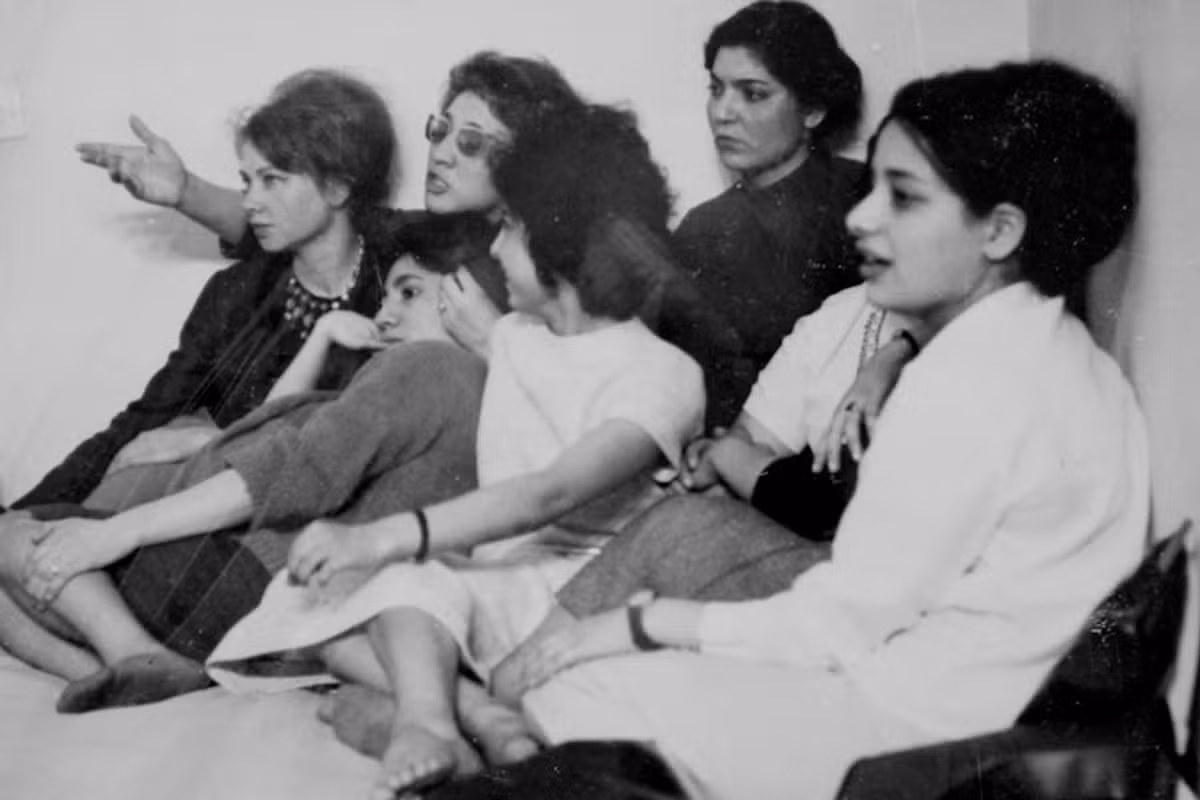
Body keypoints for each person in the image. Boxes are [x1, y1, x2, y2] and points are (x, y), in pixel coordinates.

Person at [468, 60, 1147, 800]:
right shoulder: (1065, 356)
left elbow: (836, 627)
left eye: (904, 197)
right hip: (958, 712)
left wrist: (638, 625)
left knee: (577, 694)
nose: (861, 217)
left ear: (1000, 231)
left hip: (909, 733)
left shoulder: (967, 384)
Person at [204, 100, 706, 800]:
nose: (493, 250)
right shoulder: (516, 337)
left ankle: (422, 716)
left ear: (559, 241)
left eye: (510, 229)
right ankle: (463, 715)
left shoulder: (663, 374)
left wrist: (381, 537)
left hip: (582, 598)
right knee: (322, 595)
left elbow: (549, 492)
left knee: (397, 581)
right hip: (496, 580)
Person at [70, 51, 742, 425]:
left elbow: (700, 360)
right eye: (440, 131)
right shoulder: (433, 235)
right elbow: (304, 219)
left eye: (470, 142)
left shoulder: (599, 241)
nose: (441, 153)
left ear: (531, 153)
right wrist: (186, 191)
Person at [0, 216, 497, 714]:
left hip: (245, 577)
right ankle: (123, 674)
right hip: (280, 607)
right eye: (386, 296)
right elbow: (274, 430)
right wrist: (324, 333)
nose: (385, 315)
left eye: (409, 293)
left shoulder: (428, 364)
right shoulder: (473, 392)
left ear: (466, 296)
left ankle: (134, 653)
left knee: (10, 534)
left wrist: (116, 533)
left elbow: (287, 473)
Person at [5, 69, 406, 512]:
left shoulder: (403, 281)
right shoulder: (234, 294)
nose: (249, 201)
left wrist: (213, 439)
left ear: (337, 187)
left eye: (272, 180)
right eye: (247, 181)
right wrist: (24, 514)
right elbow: (145, 420)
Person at [676, 0, 867, 424]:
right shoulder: (700, 230)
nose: (722, 113)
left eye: (753, 94)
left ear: (813, 109)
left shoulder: (867, 198)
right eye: (716, 89)